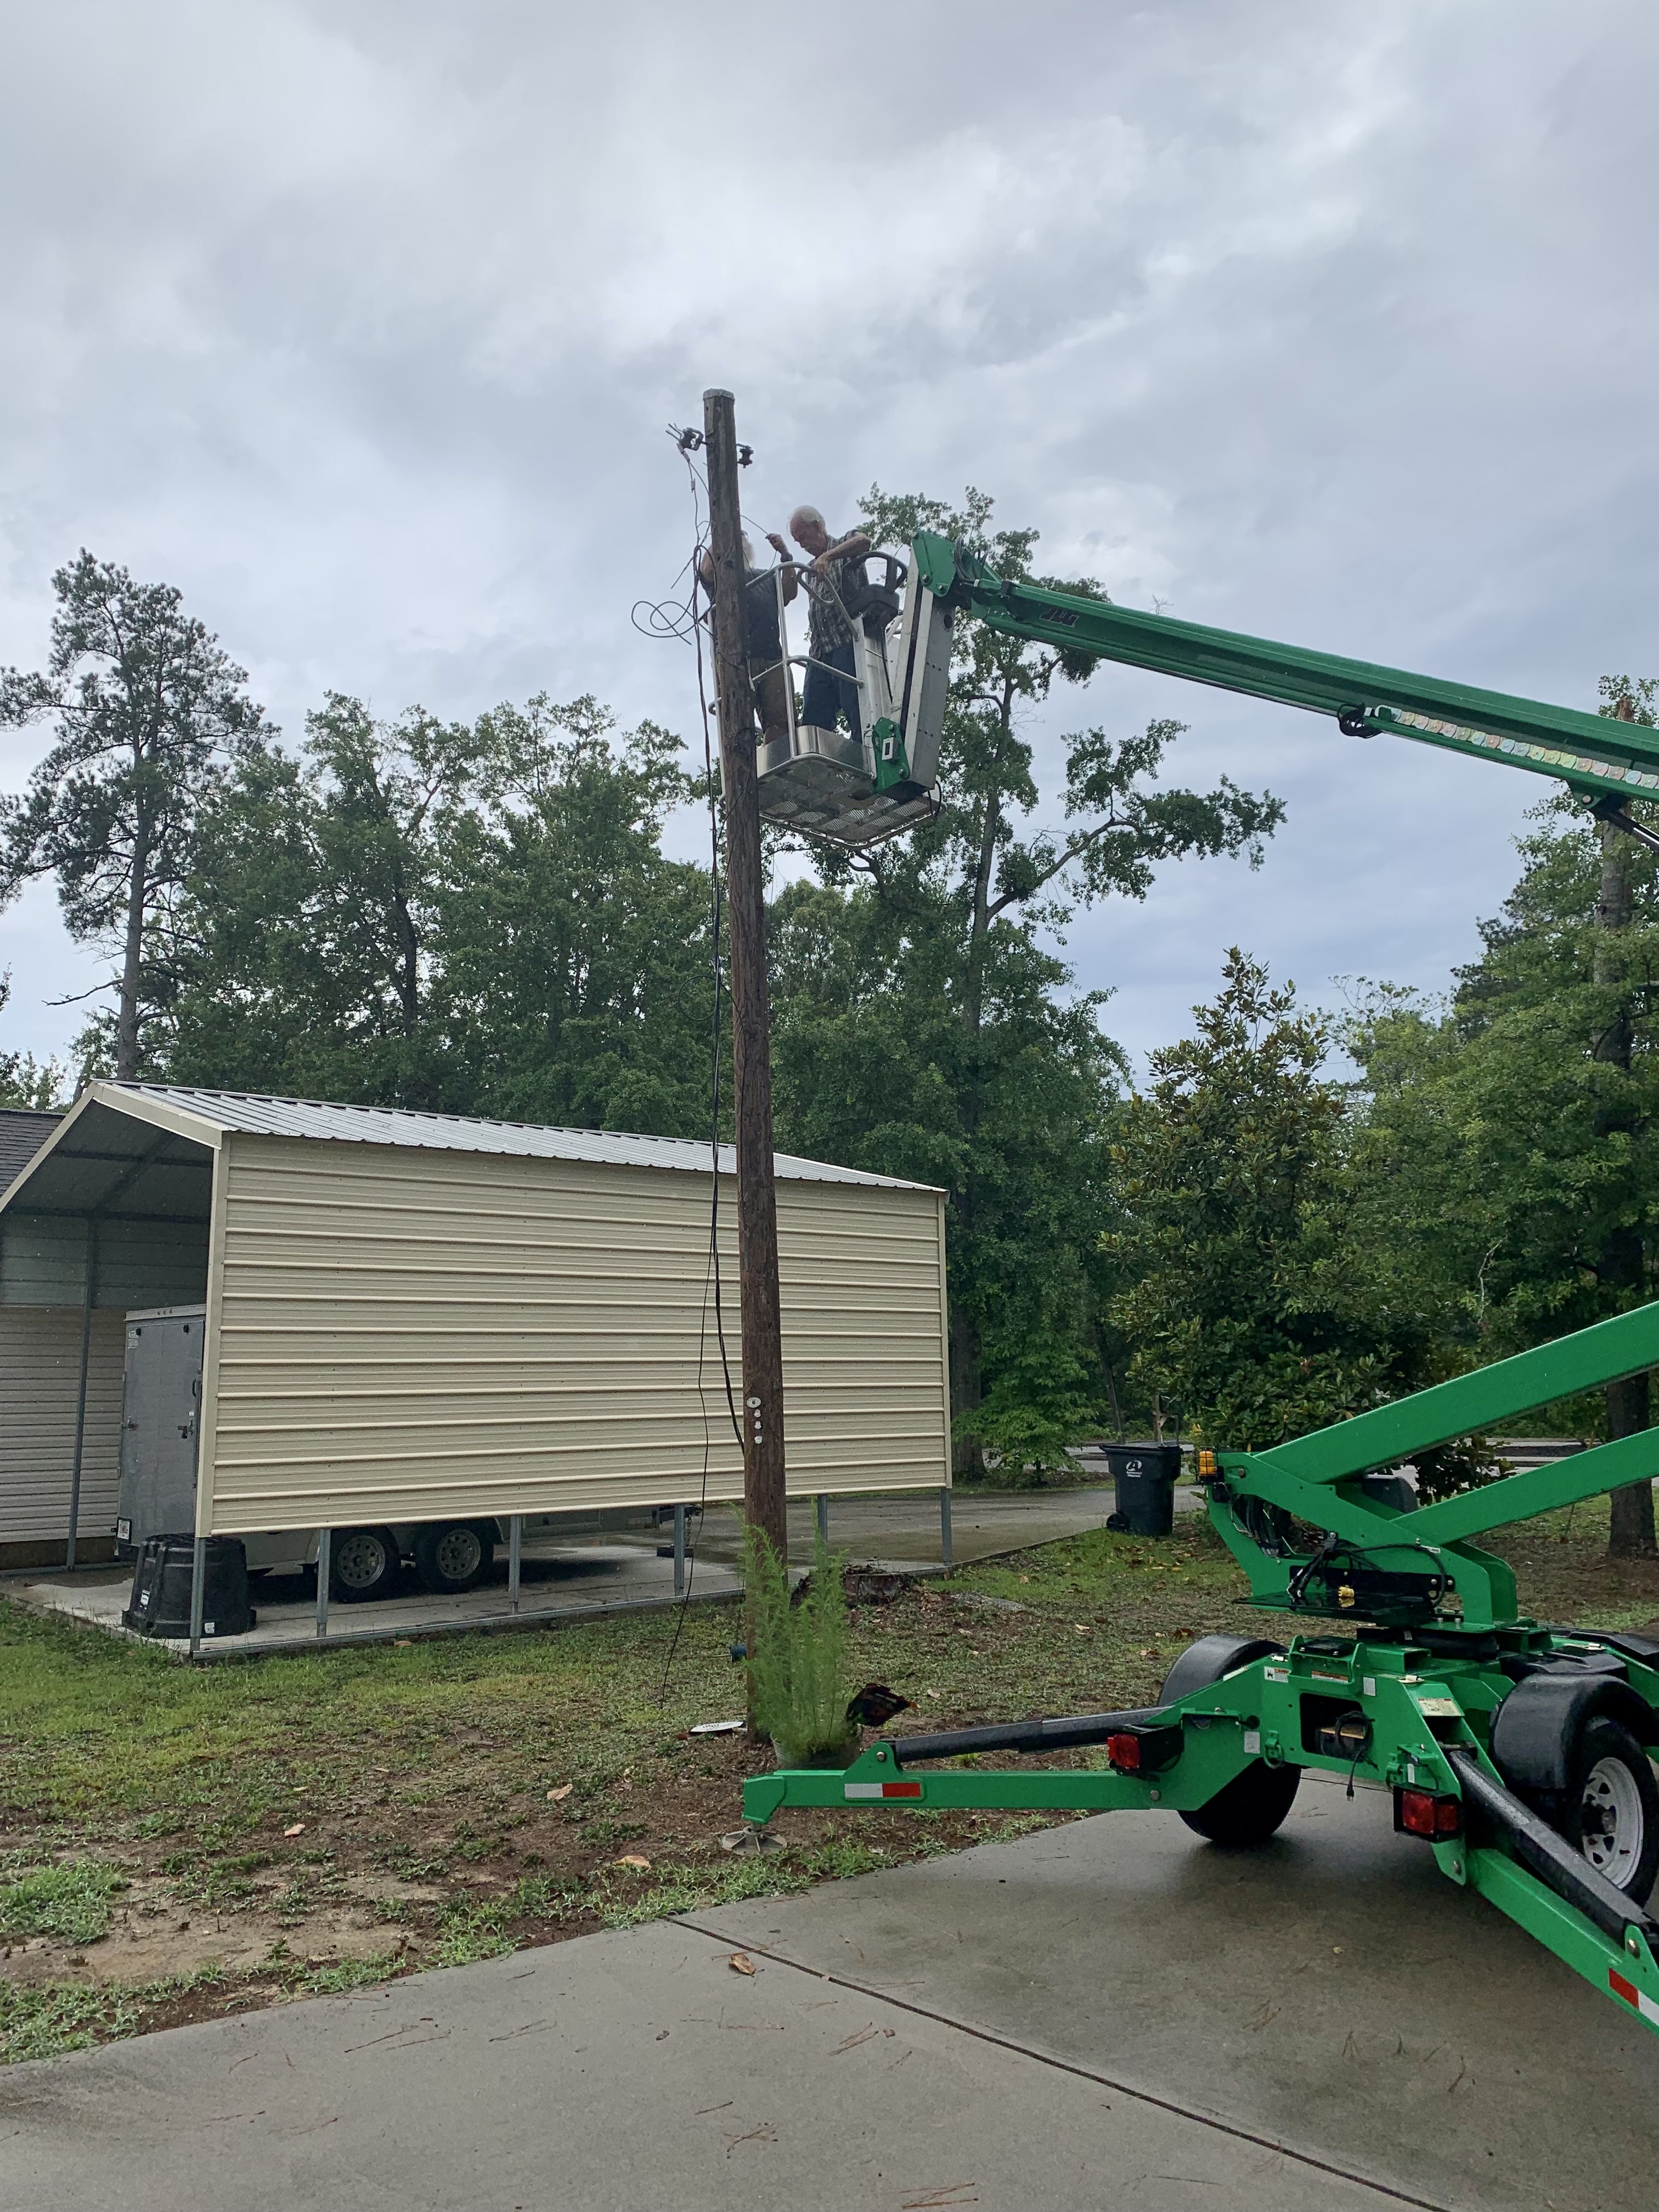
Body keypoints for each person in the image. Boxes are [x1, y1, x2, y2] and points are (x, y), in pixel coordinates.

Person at [698, 531, 797, 744]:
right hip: (733, 661)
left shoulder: (765, 576)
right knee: (737, 727)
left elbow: (788, 594)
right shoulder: (719, 579)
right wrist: (724, 536)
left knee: (783, 723)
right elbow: (706, 569)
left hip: (772, 657)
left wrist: (785, 555)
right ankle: (741, 764)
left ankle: (779, 762)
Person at [789, 505, 872, 741]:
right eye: (797, 542)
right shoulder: (810, 571)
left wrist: (828, 557)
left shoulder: (845, 542)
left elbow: (864, 542)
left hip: (847, 641)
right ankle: (816, 761)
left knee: (857, 708)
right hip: (819, 651)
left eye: (803, 537)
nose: (802, 545)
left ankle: (866, 752)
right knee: (812, 720)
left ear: (817, 527)